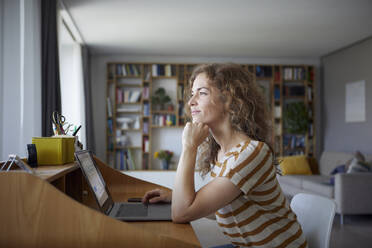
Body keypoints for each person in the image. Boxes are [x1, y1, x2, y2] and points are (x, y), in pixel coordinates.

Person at [142, 63, 307, 248]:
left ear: (227, 99)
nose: (191, 102)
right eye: (192, 94)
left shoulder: (250, 153)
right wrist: (174, 196)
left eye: (202, 93)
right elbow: (219, 208)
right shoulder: (221, 153)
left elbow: (181, 214)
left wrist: (189, 146)